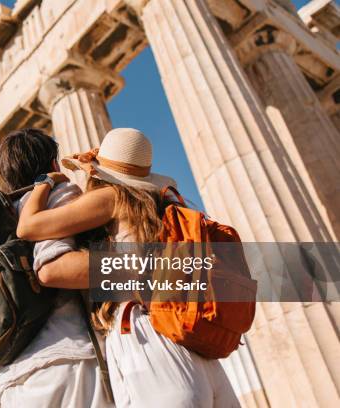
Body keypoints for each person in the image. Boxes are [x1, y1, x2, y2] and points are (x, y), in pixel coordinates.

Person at [16, 128, 240, 408]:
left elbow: (28, 227)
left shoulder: (112, 196)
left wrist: (45, 181)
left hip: (150, 340)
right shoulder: (163, 203)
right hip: (196, 344)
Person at [0, 128, 114, 408]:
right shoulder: (55, 193)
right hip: (66, 361)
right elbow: (52, 267)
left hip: (10, 379)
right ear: (54, 164)